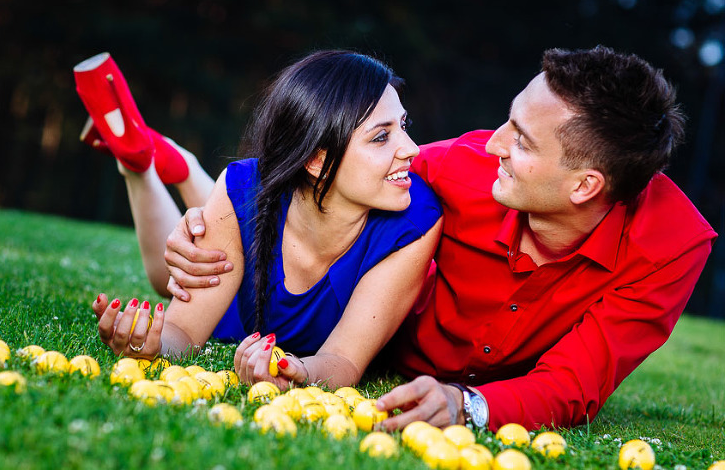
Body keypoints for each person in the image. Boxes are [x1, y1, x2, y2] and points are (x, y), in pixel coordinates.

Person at [165, 46, 716, 430]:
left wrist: (468, 407)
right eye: (508, 120)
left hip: (477, 382)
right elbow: (327, 175)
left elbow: (576, 381)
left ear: (585, 185)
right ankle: (176, 169)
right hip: (373, 339)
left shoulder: (671, 247)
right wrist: (206, 221)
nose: (492, 143)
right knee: (220, 288)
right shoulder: (456, 166)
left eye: (520, 141)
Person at [74, 50, 443, 389]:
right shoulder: (243, 186)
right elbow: (181, 332)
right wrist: (148, 341)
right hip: (232, 309)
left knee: (173, 267)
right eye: (381, 137)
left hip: (264, 237)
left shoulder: (415, 221)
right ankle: (140, 167)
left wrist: (299, 371)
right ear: (316, 160)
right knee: (166, 276)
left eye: (404, 126)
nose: (411, 149)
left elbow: (344, 360)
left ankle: (180, 165)